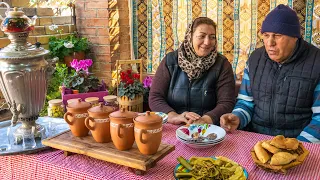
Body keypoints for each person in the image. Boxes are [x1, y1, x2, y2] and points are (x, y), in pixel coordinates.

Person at [220, 4, 320, 143]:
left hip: (297, 142)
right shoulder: (255, 59)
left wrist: (298, 146)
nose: (270, 43)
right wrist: (238, 117)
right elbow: (246, 102)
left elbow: (319, 118)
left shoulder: (316, 63)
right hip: (257, 139)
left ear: (295, 37)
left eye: (278, 36)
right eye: (266, 35)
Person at [149, 17, 235, 125]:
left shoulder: (222, 64)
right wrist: (174, 116)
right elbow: (155, 97)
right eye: (201, 36)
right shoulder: (170, 61)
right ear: (190, 37)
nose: (207, 42)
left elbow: (226, 102)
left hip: (208, 128)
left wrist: (206, 119)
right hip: (173, 126)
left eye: (212, 37)